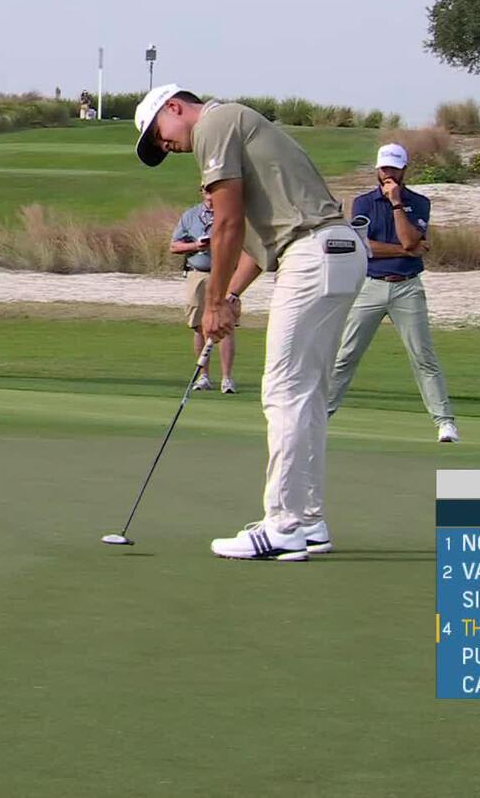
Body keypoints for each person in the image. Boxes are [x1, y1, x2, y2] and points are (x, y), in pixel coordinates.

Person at [135, 85, 366, 560]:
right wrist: (233, 293)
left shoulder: (214, 125)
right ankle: (309, 521)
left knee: (282, 391)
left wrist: (215, 301)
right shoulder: (242, 125)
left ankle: (281, 524)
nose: (166, 146)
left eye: (159, 135)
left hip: (313, 254)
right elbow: (260, 248)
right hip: (338, 251)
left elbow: (226, 224)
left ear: (174, 108)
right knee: (306, 395)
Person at [327, 144, 459, 443]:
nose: (388, 174)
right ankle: (322, 414)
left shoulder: (419, 202)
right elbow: (368, 247)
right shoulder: (362, 203)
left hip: (408, 287)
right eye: (384, 169)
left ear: (404, 170)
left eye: (394, 169)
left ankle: (444, 422)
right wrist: (408, 250)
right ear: (377, 169)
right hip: (370, 285)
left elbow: (410, 237)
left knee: (423, 356)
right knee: (346, 355)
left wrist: (397, 204)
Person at [170, 189, 236, 393]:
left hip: (224, 274)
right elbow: (174, 246)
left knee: (226, 327)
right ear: (201, 192)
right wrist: (196, 246)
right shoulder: (190, 216)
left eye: (213, 191)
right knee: (199, 326)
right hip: (197, 273)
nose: (210, 196)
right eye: (207, 192)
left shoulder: (230, 213)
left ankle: (227, 379)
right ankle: (204, 376)